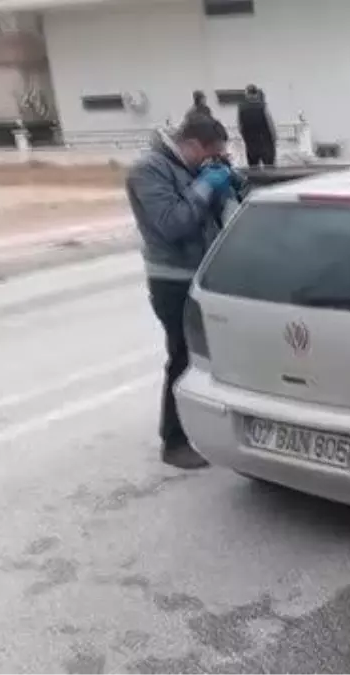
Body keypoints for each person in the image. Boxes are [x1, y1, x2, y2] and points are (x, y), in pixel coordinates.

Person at [125, 115, 235, 470]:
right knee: (184, 358)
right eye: (209, 155)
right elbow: (172, 223)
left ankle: (204, 429)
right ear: (191, 145)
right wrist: (205, 186)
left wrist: (230, 186)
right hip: (172, 279)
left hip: (201, 275)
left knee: (209, 359)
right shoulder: (148, 170)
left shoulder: (189, 166)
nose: (210, 162)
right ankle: (173, 441)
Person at [237, 84, 276, 168]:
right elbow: (270, 123)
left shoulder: (241, 108)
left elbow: (240, 126)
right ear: (256, 94)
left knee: (254, 169)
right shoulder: (262, 106)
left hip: (251, 144)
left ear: (247, 94)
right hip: (265, 142)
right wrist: (274, 137)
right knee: (270, 169)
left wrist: (245, 138)